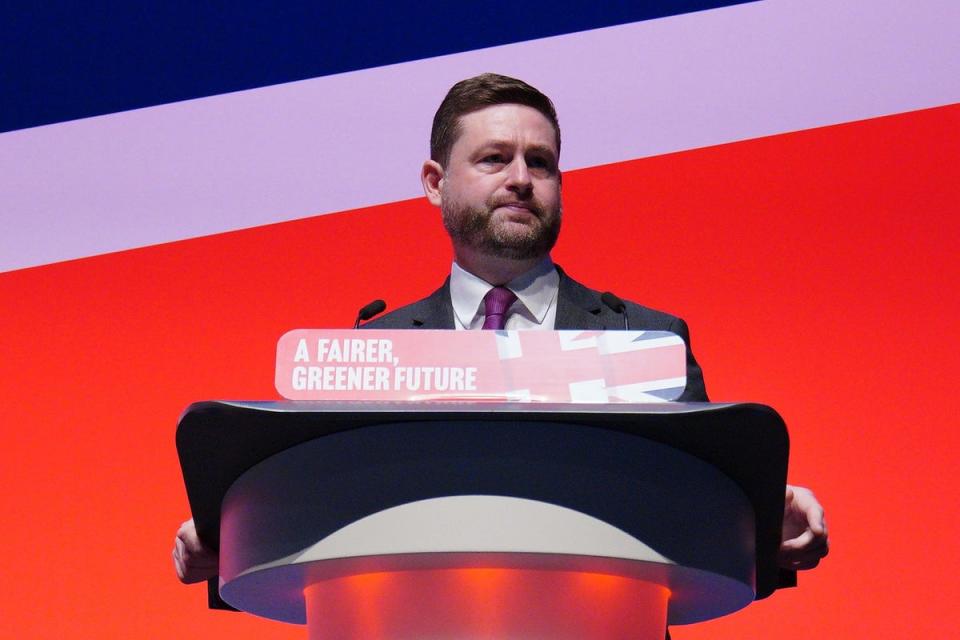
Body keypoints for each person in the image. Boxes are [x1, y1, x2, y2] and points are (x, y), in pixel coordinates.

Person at [174, 73, 828, 589]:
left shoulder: (649, 341)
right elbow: (312, 512)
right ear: (435, 183)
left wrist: (759, 517)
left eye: (539, 163)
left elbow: (697, 513)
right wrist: (233, 531)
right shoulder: (374, 351)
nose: (521, 179)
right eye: (494, 158)